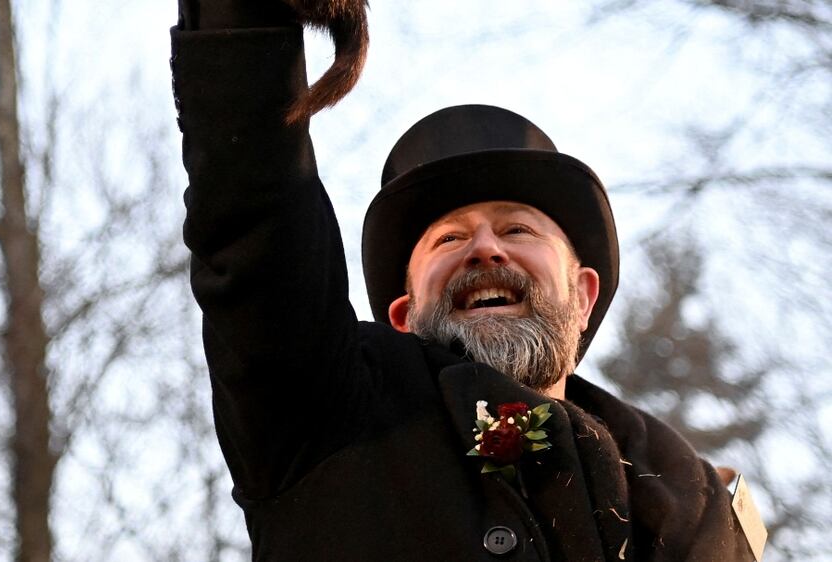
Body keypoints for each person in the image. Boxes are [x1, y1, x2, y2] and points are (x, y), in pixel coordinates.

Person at [171, 1, 755, 560]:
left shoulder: (692, 511)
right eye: (449, 238)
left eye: (519, 229)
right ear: (402, 316)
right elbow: (256, 213)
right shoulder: (325, 416)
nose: (484, 249)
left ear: (582, 296)